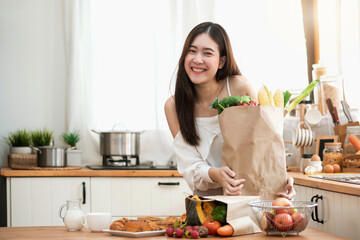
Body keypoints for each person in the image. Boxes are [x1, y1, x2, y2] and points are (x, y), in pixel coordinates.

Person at [165, 22, 295, 199]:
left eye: (207, 53)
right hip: (207, 203)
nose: (197, 59)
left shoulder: (239, 88)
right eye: (192, 51)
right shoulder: (174, 106)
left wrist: (281, 178)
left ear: (221, 61)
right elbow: (189, 163)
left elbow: (262, 144)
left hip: (247, 196)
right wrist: (215, 173)